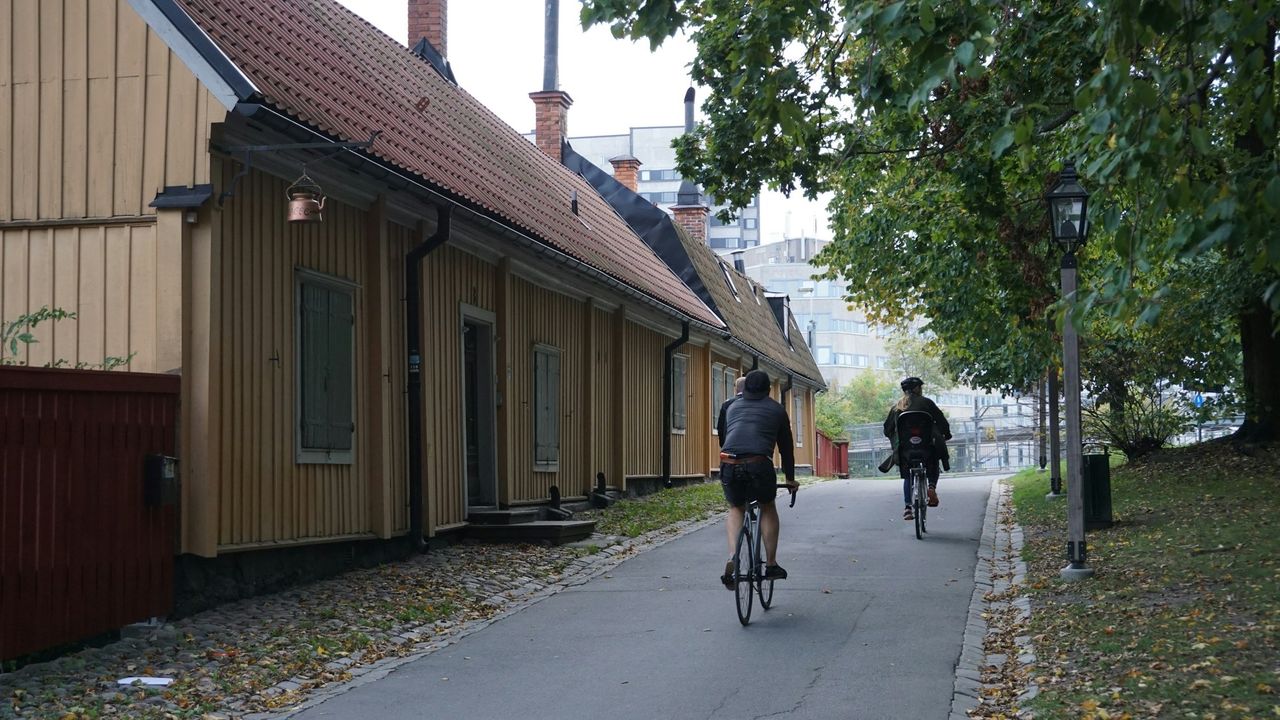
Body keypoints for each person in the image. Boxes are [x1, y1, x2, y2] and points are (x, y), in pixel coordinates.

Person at [717, 369, 799, 588]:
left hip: (729, 462)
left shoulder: (731, 406)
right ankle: (771, 564)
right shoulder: (776, 410)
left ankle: (734, 555)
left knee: (736, 508)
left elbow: (724, 438)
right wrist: (790, 479)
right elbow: (786, 450)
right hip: (758, 463)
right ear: (768, 389)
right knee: (768, 505)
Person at [883, 376, 951, 521]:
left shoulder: (897, 407)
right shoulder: (927, 403)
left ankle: (908, 508)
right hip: (927, 448)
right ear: (916, 389)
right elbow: (941, 420)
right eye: (920, 387)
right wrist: (946, 434)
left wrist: (894, 438)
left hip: (906, 450)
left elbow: (887, 429)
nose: (921, 390)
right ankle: (931, 487)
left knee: (908, 475)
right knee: (933, 463)